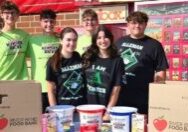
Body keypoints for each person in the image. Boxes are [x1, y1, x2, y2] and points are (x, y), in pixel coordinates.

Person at [116, 11, 169, 114]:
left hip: (142, 98)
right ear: (128, 24)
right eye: (133, 22)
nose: (137, 26)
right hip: (120, 95)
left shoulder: (155, 45)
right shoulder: (119, 42)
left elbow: (160, 72)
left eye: (140, 23)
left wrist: (158, 95)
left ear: (145, 25)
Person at [82, 25, 126, 120]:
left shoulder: (117, 61)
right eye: (99, 38)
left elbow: (116, 88)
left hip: (107, 109)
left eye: (105, 37)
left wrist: (108, 111)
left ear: (110, 38)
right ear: (95, 40)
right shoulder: (88, 57)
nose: (103, 40)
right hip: (89, 108)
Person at [27, 9, 59, 113]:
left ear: (55, 22)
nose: (49, 24)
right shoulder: (32, 41)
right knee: (42, 121)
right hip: (39, 88)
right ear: (40, 22)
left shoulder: (60, 41)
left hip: (56, 88)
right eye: (46, 21)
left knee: (57, 121)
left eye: (51, 21)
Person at [46, 27, 86, 107]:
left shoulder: (78, 57)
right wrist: (55, 110)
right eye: (68, 40)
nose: (72, 43)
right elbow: (50, 91)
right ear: (61, 41)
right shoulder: (53, 62)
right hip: (64, 108)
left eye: (74, 40)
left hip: (81, 106)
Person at [0, 1, 29, 80]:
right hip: (2, 81)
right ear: (1, 15)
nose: (10, 15)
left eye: (13, 13)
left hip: (21, 81)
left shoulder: (24, 35)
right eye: (7, 13)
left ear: (17, 15)